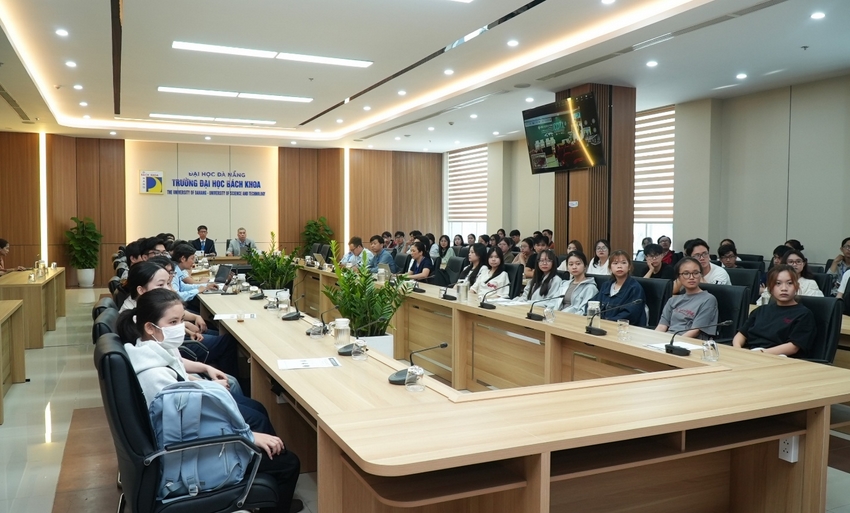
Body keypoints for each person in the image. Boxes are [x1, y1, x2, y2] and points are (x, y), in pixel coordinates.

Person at [116, 288, 302, 513]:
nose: (180, 327)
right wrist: (247, 437)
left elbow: (182, 392)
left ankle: (267, 490)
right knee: (288, 464)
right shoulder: (154, 376)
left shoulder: (148, 351)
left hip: (184, 444)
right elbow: (185, 430)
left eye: (181, 320)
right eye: (173, 322)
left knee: (258, 416)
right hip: (187, 460)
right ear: (149, 327)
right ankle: (267, 497)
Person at [120, 261, 239, 377]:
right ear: (141, 290)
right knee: (227, 341)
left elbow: (174, 359)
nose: (169, 289)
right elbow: (171, 364)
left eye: (168, 283)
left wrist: (187, 327)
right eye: (161, 285)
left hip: (177, 363)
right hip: (176, 363)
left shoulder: (141, 306)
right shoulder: (137, 318)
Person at [733, 265, 815, 357]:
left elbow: (793, 347)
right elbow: (741, 334)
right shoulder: (761, 310)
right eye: (778, 283)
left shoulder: (803, 314)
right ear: (770, 288)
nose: (784, 288)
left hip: (779, 358)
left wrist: (760, 353)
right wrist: (737, 349)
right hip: (752, 354)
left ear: (797, 286)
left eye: (790, 283)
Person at [655, 257, 719, 339]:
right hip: (669, 339)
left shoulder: (708, 299)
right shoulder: (672, 300)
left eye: (695, 273)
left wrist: (673, 341)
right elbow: (662, 326)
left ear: (701, 275)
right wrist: (653, 339)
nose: (691, 277)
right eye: (686, 273)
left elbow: (695, 331)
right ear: (679, 277)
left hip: (689, 341)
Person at [591, 250, 647, 327]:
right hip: (603, 326)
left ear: (629, 267)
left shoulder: (634, 288)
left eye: (623, 263)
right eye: (615, 263)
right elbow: (593, 303)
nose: (619, 266)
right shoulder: (606, 286)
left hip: (625, 328)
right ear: (610, 267)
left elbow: (631, 315)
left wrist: (607, 322)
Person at [757, 250, 822, 303]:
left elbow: (816, 305)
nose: (794, 264)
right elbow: (761, 302)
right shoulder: (776, 280)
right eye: (791, 262)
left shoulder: (810, 283)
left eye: (798, 261)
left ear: (804, 264)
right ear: (785, 264)